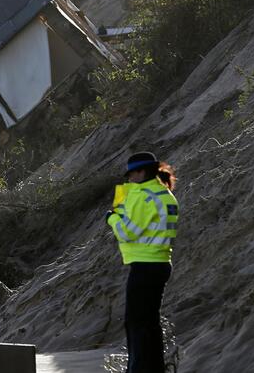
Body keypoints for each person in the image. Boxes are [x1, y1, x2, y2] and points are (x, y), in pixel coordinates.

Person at [106, 152, 179, 373]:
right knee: (150, 323)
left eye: (131, 174)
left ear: (142, 172)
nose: (128, 179)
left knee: (136, 324)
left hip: (144, 266)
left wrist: (111, 217)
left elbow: (128, 232)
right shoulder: (165, 194)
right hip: (161, 263)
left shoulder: (143, 195)